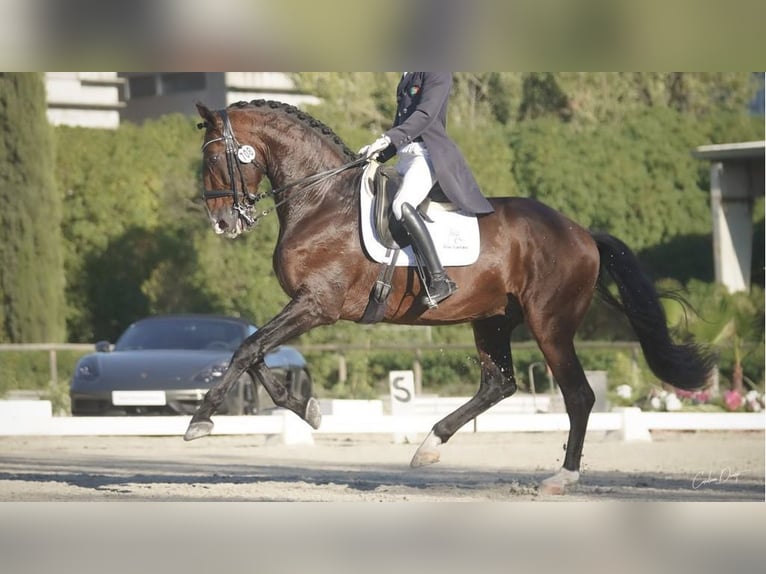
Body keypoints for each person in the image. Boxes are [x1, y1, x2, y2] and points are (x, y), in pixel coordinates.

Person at [359, 72, 494, 307]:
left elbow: (425, 115)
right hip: (404, 157)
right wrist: (378, 152)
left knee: (402, 205)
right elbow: (403, 125)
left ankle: (440, 279)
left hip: (427, 155)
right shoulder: (408, 75)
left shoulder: (437, 70)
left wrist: (387, 138)